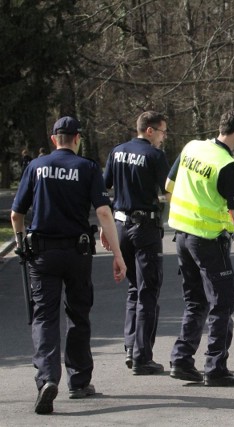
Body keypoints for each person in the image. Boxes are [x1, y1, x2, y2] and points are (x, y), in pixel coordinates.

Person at [10, 116, 126, 415]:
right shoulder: (87, 167)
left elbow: (16, 214)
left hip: (42, 255)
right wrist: (117, 254)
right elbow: (102, 211)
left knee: (44, 318)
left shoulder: (35, 167)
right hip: (77, 253)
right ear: (77, 139)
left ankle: (48, 379)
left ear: (53, 139)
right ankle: (78, 381)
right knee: (78, 315)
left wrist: (20, 242)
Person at [166, 109, 234, 386]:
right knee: (222, 304)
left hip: (182, 237)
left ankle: (181, 360)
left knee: (195, 301)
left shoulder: (192, 147)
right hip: (209, 241)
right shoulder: (227, 165)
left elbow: (169, 185)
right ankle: (215, 368)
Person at [102, 111, 170, 375]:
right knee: (148, 291)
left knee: (133, 288)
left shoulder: (117, 151)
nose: (163, 138)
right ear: (150, 130)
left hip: (120, 224)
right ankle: (143, 356)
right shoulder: (154, 155)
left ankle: (131, 347)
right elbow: (167, 190)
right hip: (145, 227)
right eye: (163, 132)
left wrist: (106, 225)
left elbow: (104, 187)